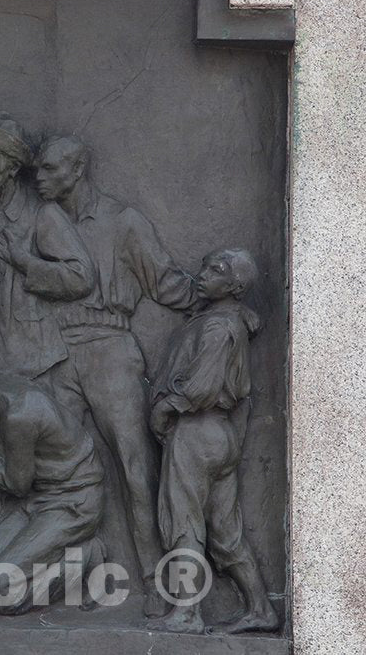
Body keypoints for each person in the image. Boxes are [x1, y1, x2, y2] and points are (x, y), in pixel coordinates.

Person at [35, 135, 200, 616]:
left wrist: (216, 304)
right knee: (65, 474)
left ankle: (157, 580)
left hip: (109, 348)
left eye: (48, 169)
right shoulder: (44, 221)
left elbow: (165, 282)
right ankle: (84, 572)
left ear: (78, 168)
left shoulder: (123, 221)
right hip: (56, 353)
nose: (39, 179)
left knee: (134, 469)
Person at [148, 248, 278, 635]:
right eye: (205, 265)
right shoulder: (223, 319)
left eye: (216, 270)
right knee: (226, 531)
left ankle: (187, 612)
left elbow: (202, 387)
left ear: (235, 286)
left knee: (183, 518)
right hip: (218, 435)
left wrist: (167, 405)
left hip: (195, 430)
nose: (203, 273)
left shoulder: (219, 327)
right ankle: (260, 609)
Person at [0, 365, 105, 614]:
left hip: (74, 504)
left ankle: (86, 556)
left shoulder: (18, 417)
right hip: (39, 502)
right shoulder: (3, 384)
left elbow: (17, 485)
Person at [0, 111, 93, 380]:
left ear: (13, 169)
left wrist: (23, 261)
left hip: (33, 362)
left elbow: (81, 276)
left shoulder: (42, 214)